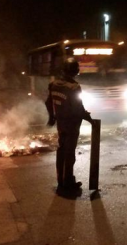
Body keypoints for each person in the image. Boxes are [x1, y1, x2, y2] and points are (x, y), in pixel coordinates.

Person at [45, 57, 93, 192]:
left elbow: (48, 102)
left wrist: (52, 117)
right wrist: (89, 118)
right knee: (69, 153)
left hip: (61, 123)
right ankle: (68, 183)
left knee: (61, 151)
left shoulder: (53, 84)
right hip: (72, 124)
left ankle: (61, 181)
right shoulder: (74, 87)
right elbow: (79, 108)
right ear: (76, 71)